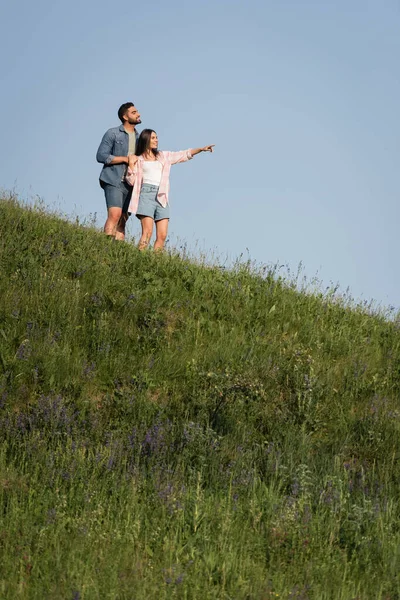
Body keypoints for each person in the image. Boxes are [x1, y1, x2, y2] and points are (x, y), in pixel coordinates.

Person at [126, 129, 214, 250]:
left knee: (162, 235)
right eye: (153, 138)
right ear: (145, 139)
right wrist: (131, 164)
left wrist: (200, 149)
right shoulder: (139, 159)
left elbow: (184, 154)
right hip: (146, 195)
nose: (156, 140)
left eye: (156, 137)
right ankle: (139, 258)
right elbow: (131, 181)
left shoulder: (163, 156)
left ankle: (155, 263)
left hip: (162, 196)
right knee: (147, 232)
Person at [96, 102, 141, 240]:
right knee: (115, 214)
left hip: (131, 183)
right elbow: (101, 156)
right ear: (125, 116)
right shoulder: (113, 133)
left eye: (137, 111)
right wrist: (125, 159)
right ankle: (106, 247)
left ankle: (117, 253)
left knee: (123, 219)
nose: (138, 114)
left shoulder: (141, 138)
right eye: (133, 112)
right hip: (113, 179)